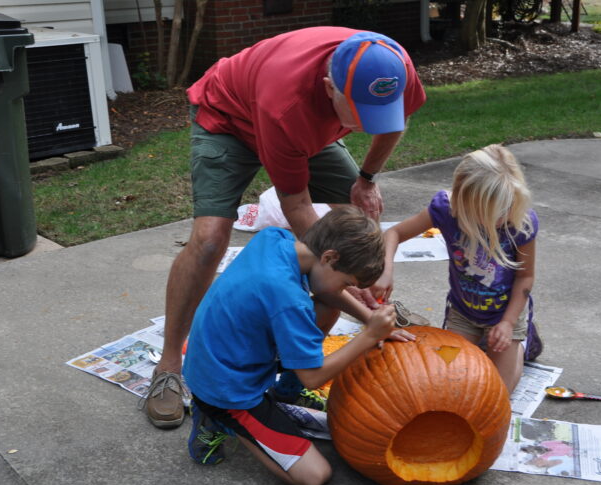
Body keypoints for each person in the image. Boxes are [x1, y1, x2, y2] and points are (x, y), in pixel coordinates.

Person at [142, 27, 426, 428]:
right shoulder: (286, 103)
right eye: (359, 112)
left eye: (375, 111)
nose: (366, 125)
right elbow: (296, 204)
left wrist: (366, 178)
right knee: (209, 241)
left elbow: (395, 122)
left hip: (307, 126)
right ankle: (169, 366)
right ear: (330, 87)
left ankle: (294, 374)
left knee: (354, 228)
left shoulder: (391, 65)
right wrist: (338, 268)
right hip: (230, 119)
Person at [182, 206, 412, 485]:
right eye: (347, 282)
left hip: (222, 353)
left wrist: (369, 318)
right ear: (329, 257)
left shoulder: (275, 239)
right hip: (226, 388)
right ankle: (213, 418)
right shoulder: (288, 299)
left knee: (328, 305)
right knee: (314, 476)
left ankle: (285, 393)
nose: (346, 289)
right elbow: (313, 377)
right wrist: (368, 336)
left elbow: (328, 290)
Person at [370, 144, 543, 392]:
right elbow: (394, 233)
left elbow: (525, 277)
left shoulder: (521, 222)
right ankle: (492, 341)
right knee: (449, 382)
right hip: (464, 313)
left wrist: (507, 323)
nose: (502, 217)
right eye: (492, 212)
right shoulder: (445, 210)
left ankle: (524, 341)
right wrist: (386, 271)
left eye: (506, 208)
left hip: (506, 313)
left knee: (497, 392)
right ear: (464, 202)